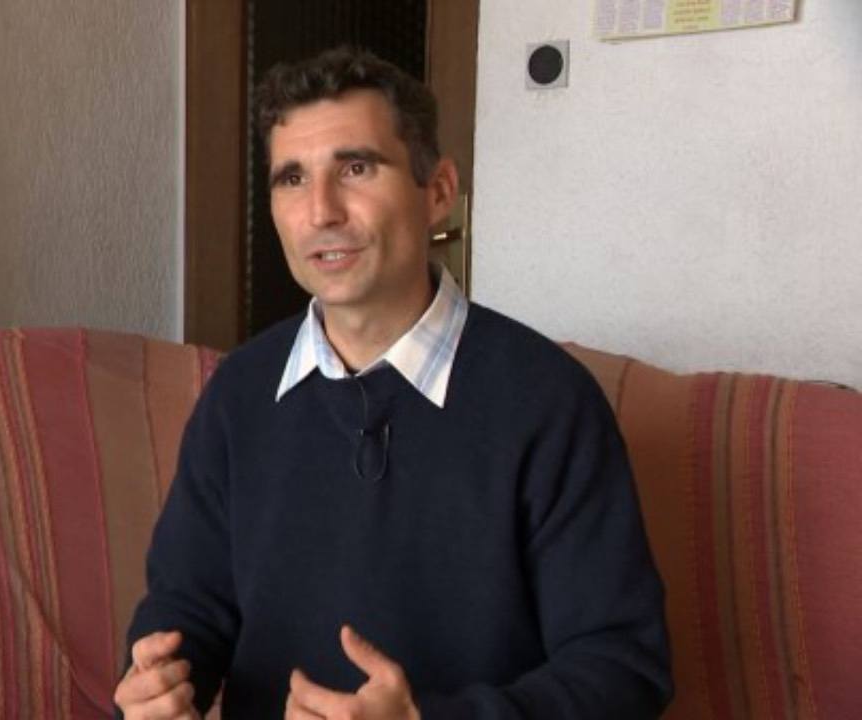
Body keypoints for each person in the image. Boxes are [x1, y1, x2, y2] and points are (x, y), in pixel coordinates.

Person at [115, 46, 672, 719]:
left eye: (355, 168)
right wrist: (155, 687)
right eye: (292, 178)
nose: (320, 211)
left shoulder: (549, 401)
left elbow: (623, 667)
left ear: (438, 191)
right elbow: (186, 609)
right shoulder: (239, 394)